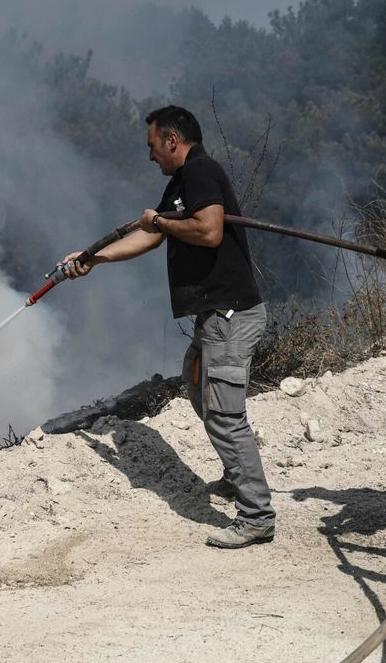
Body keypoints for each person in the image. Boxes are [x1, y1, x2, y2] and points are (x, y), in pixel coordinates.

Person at [61, 104, 274, 549]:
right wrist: (94, 258)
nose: (150, 155)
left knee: (224, 414)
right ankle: (238, 480)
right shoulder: (182, 183)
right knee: (199, 392)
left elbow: (210, 230)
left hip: (230, 317)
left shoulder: (200, 172)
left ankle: (256, 517)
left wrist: (157, 220)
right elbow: (152, 235)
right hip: (213, 319)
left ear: (172, 140)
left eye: (153, 146)